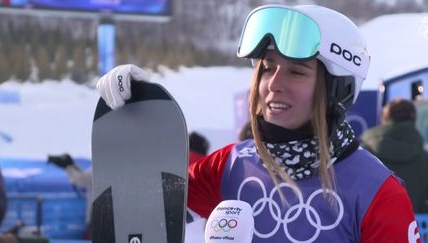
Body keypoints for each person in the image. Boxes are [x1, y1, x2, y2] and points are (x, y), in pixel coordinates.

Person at [96, 4, 420, 242]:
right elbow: (146, 206)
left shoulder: (376, 191)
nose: (273, 84)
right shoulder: (230, 165)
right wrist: (138, 113)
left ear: (338, 88)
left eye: (296, 71)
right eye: (267, 67)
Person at [361, 98, 428, 213]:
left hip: (374, 225)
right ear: (414, 120)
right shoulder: (424, 158)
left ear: (384, 118)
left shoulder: (363, 153)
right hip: (416, 227)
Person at [47, 154, 92, 239]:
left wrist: (69, 166)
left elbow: (82, 179)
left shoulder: (101, 168)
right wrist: (71, 166)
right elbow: (84, 178)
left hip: (99, 218)